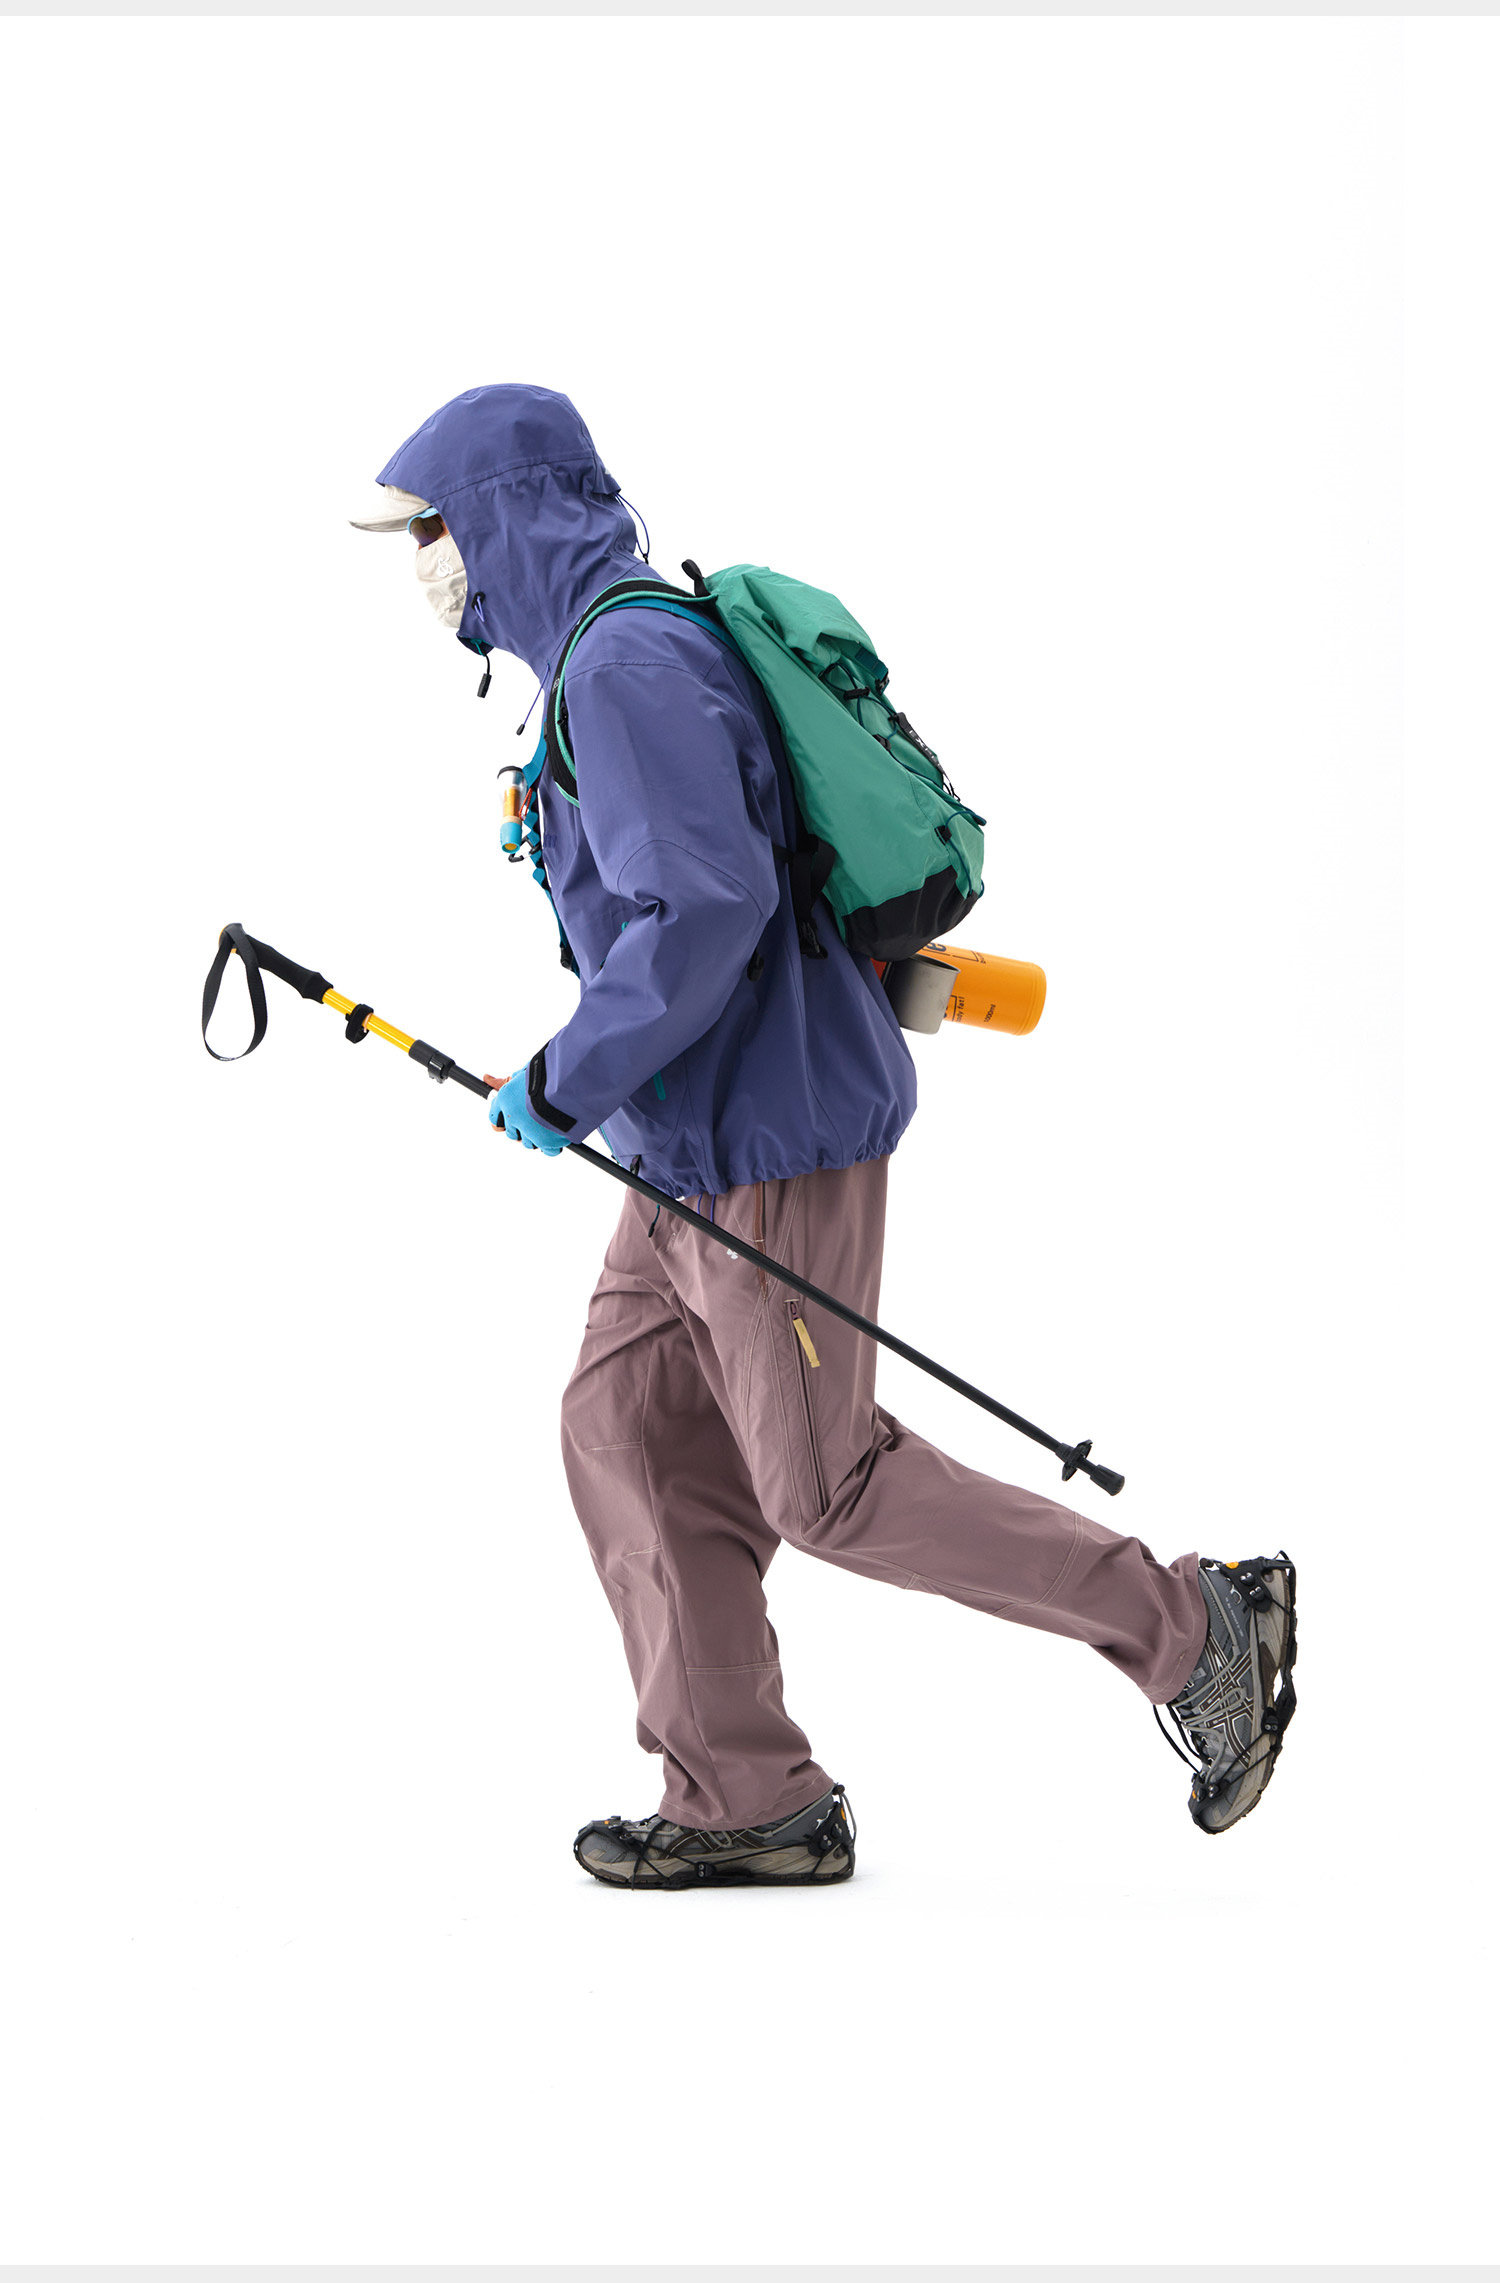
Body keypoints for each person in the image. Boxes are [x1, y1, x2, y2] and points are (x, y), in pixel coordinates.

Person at [352, 383, 1297, 1888]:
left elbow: (706, 907)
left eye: (431, 532)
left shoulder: (627, 665)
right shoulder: (604, 657)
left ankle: (1195, 1630)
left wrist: (564, 1077)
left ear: (504, 516)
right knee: (627, 1427)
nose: (421, 567)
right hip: (684, 1151)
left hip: (766, 1146)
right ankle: (746, 1795)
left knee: (830, 1486)